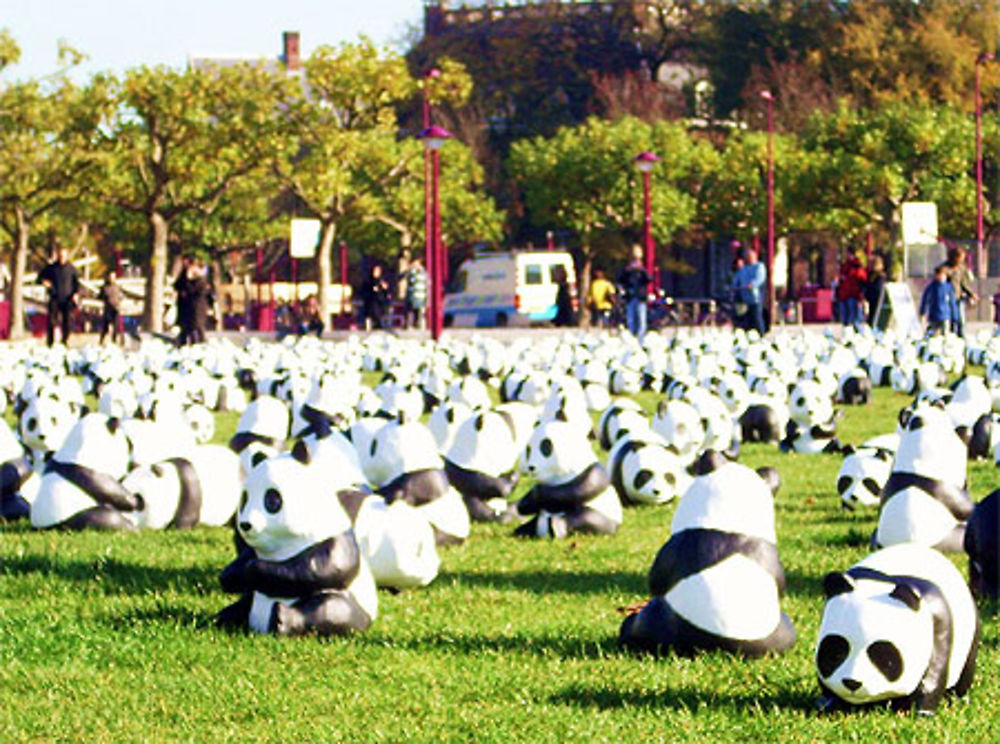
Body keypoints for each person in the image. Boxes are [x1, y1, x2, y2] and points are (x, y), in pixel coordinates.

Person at [38, 246, 80, 347]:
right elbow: (39, 278)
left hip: (67, 299)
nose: (62, 258)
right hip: (54, 298)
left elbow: (77, 284)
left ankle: (64, 341)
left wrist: (76, 294)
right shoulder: (51, 268)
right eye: (60, 255)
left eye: (64, 256)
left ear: (67, 256)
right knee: (52, 321)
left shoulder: (72, 269)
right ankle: (50, 342)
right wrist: (44, 282)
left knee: (67, 322)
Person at [940, 246, 978, 337]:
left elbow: (964, 284)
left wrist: (971, 294)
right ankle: (949, 335)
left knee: (960, 319)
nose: (962, 260)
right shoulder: (945, 268)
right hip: (947, 299)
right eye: (961, 258)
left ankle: (960, 335)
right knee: (949, 319)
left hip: (958, 297)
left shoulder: (962, 268)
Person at [617, 246, 651, 339]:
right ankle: (632, 336)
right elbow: (621, 280)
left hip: (640, 297)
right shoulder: (627, 271)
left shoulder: (642, 272)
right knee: (631, 319)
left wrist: (642, 270)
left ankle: (640, 337)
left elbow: (648, 279)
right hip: (630, 297)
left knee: (641, 319)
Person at [732, 248, 767, 335]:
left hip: (755, 298)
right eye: (747, 257)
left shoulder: (759, 266)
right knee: (745, 318)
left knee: (756, 317)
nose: (748, 258)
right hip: (744, 298)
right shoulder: (744, 269)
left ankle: (761, 334)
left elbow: (759, 278)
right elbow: (738, 278)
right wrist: (733, 286)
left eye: (750, 256)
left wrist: (752, 285)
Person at [919, 264, 959, 335]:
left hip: (945, 315)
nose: (941, 277)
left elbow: (952, 302)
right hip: (934, 315)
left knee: (946, 333)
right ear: (936, 276)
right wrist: (922, 311)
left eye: (943, 275)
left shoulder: (948, 287)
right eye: (939, 275)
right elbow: (925, 299)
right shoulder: (932, 287)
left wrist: (955, 315)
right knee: (935, 334)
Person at [835, 251, 867, 329]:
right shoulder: (845, 267)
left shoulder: (857, 268)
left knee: (854, 317)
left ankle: (855, 331)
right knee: (845, 318)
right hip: (844, 295)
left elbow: (862, 281)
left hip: (853, 295)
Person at [361, 264, 392, 330]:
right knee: (374, 310)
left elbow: (386, 291)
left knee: (381, 311)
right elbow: (366, 290)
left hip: (380, 301)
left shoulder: (382, 280)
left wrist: (385, 289)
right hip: (372, 300)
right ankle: (375, 323)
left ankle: (380, 323)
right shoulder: (369, 281)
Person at [98, 271, 122, 345]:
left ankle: (115, 341)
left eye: (113, 277)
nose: (111, 279)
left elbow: (121, 296)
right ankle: (101, 340)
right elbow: (99, 297)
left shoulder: (117, 287)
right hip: (107, 309)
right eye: (110, 277)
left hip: (115, 309)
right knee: (105, 326)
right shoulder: (104, 287)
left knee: (116, 326)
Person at [404, 257, 428, 330]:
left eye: (416, 264)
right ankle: (409, 324)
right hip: (412, 295)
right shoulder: (411, 273)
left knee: (417, 310)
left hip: (419, 295)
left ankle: (417, 324)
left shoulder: (422, 273)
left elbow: (418, 282)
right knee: (410, 309)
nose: (414, 265)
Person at [863, 255, 887, 327]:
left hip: (876, 299)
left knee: (874, 316)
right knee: (871, 315)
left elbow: (877, 288)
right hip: (871, 299)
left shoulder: (879, 276)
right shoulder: (871, 275)